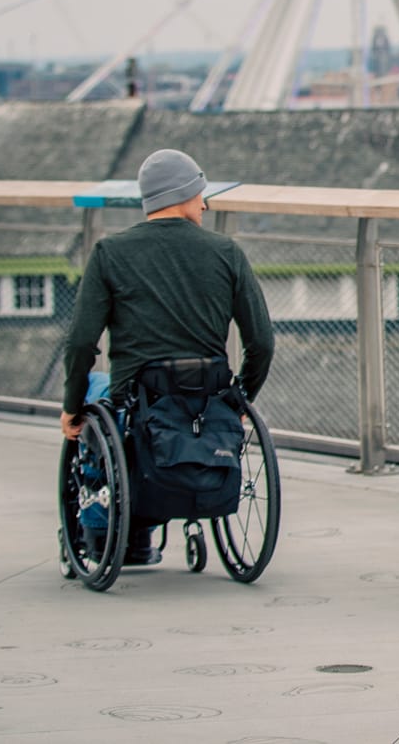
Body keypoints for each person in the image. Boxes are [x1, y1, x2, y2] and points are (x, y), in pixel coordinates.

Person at [61, 149, 274, 562]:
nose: (204, 203)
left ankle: (104, 534)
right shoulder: (226, 252)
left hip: (136, 397)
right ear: (183, 194)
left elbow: (81, 345)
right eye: (199, 194)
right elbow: (261, 342)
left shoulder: (110, 253)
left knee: (92, 388)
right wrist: (240, 399)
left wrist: (72, 408)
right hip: (207, 397)